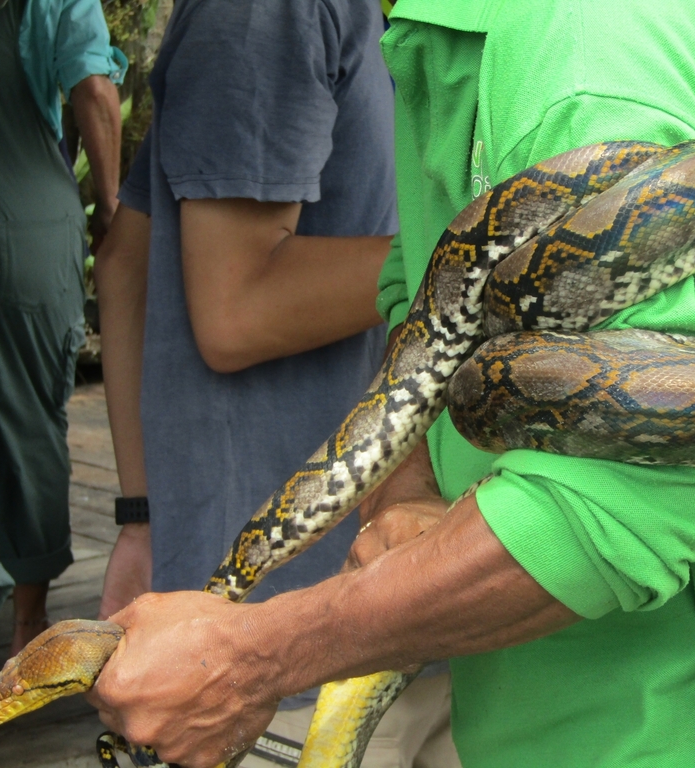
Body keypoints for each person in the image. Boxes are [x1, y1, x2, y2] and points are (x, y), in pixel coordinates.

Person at [87, 1, 695, 765]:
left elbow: (621, 504)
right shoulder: (442, 38)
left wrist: (252, 656)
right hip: (555, 710)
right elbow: (423, 305)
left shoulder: (587, 47)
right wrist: (410, 482)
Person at [91, 0, 461, 764]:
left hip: (324, 599)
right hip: (294, 641)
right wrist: (475, 256)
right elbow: (235, 311)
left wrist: (141, 515)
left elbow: (126, 254)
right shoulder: (270, 11)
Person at [0, 0, 123, 739]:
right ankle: (30, 619)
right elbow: (93, 89)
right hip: (31, 219)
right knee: (32, 422)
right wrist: (109, 201)